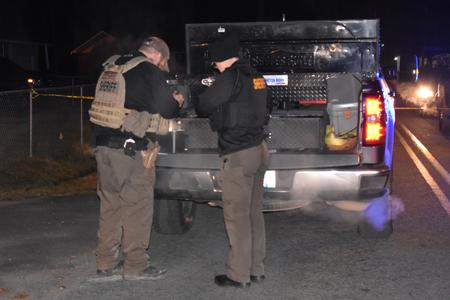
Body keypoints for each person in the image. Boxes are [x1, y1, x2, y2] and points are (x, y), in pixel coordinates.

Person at [89, 36, 184, 281]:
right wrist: (178, 101)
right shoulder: (149, 71)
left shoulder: (112, 66)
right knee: (137, 206)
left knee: (110, 205)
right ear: (159, 57)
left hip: (103, 149)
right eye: (164, 63)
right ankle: (135, 265)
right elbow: (168, 109)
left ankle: (105, 264)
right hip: (131, 151)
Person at [196, 32, 271, 288]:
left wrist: (204, 92)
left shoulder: (230, 77)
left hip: (238, 154)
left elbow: (204, 105)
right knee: (253, 213)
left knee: (237, 216)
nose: (214, 66)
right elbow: (266, 106)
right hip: (259, 150)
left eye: (215, 61)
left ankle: (238, 275)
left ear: (220, 58)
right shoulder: (257, 76)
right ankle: (256, 268)